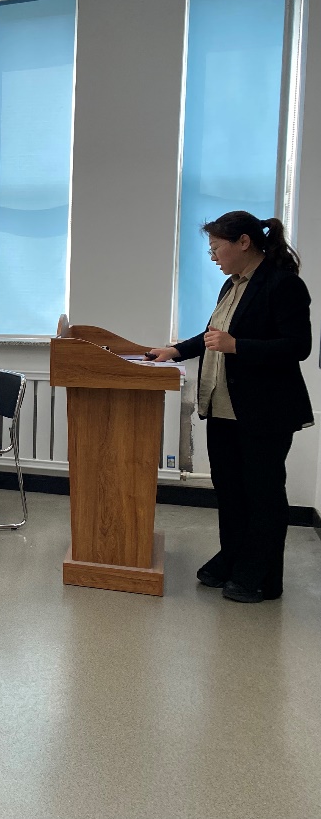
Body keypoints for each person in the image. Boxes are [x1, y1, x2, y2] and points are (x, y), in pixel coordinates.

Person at [147, 211, 312, 603]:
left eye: (216, 248)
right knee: (231, 492)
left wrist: (238, 346)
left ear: (243, 242)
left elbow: (298, 346)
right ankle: (234, 559)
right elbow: (213, 336)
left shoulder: (283, 284)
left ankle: (262, 578)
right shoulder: (230, 285)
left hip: (264, 411)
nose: (213, 256)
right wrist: (175, 351)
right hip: (222, 408)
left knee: (263, 494)